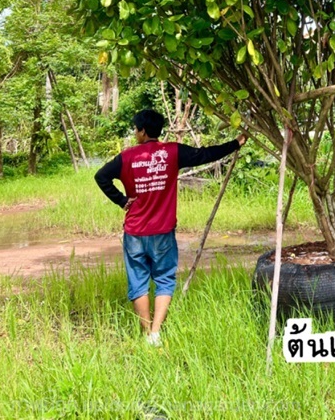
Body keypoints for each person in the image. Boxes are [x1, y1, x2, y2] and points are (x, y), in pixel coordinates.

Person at [95, 108, 247, 346]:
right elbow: (206, 154)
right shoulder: (173, 152)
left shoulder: (126, 157)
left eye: (136, 129)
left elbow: (101, 176)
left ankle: (146, 333)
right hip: (163, 231)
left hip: (135, 232)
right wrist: (236, 143)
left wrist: (123, 201)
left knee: (138, 280)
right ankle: (156, 333)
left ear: (143, 131)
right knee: (164, 279)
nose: (136, 133)